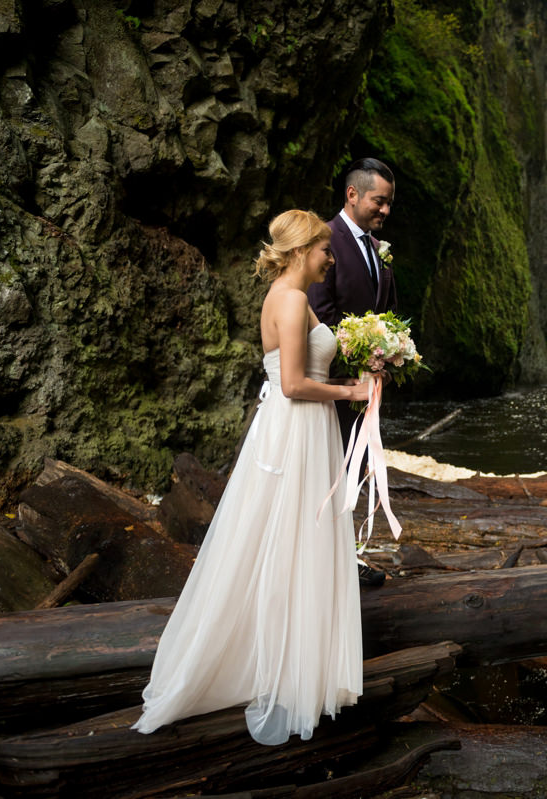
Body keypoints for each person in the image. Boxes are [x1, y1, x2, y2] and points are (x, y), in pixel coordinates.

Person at [133, 210, 376, 745]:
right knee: (287, 537)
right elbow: (291, 383)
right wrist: (350, 393)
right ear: (298, 252)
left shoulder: (289, 298)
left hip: (301, 430)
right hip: (294, 429)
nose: (330, 259)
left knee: (289, 538)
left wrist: (355, 370)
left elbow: (302, 372)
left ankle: (292, 660)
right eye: (323, 250)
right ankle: (276, 664)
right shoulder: (289, 301)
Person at [308, 157, 398, 587]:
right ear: (353, 194)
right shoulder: (325, 241)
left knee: (355, 465)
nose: (384, 210)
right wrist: (355, 370)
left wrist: (390, 354)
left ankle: (345, 555)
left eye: (388, 204)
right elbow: (321, 313)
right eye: (379, 201)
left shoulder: (378, 249)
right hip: (337, 383)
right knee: (331, 467)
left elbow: (385, 313)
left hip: (368, 386)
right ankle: (327, 561)